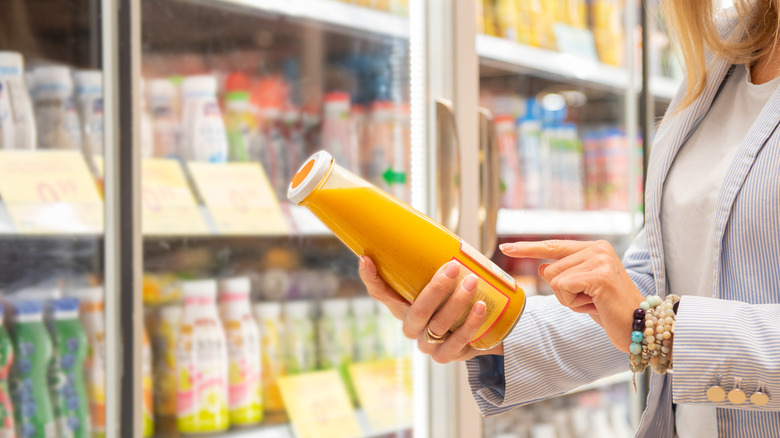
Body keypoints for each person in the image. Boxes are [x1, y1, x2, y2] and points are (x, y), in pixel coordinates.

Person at [359, 0, 780, 436]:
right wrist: (488, 321)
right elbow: (657, 288)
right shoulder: (721, 47)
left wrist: (662, 332)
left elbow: (650, 319)